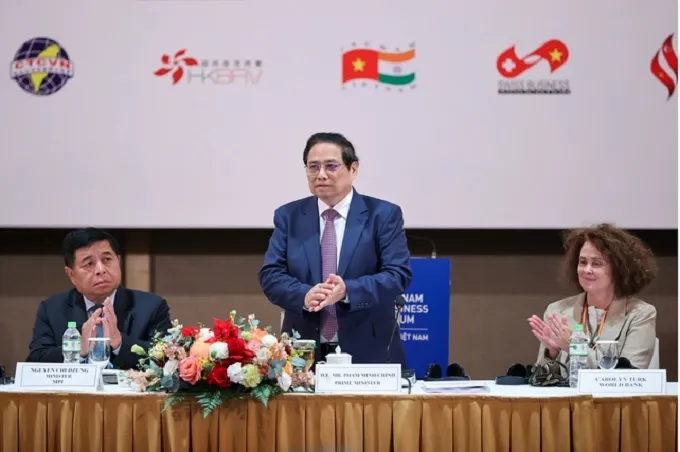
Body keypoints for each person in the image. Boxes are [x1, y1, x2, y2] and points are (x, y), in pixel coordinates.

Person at [259, 132, 412, 366]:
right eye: (313, 167)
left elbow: (398, 274)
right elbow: (271, 275)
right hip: (302, 353)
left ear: (353, 169)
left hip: (368, 350)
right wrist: (304, 295)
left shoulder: (382, 215)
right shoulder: (289, 216)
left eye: (331, 166)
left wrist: (347, 290)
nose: (321, 174)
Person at [27, 228, 172, 370]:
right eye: (89, 264)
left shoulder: (152, 307)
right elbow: (36, 360)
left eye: (107, 259)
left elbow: (167, 359)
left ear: (118, 261)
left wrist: (120, 343)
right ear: (71, 274)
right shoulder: (52, 309)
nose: (100, 270)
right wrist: (78, 349)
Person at [528, 223, 658, 370]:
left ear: (618, 269)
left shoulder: (640, 314)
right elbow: (543, 378)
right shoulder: (557, 311)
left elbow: (629, 374)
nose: (587, 270)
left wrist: (575, 347)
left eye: (596, 263)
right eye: (583, 262)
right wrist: (553, 353)